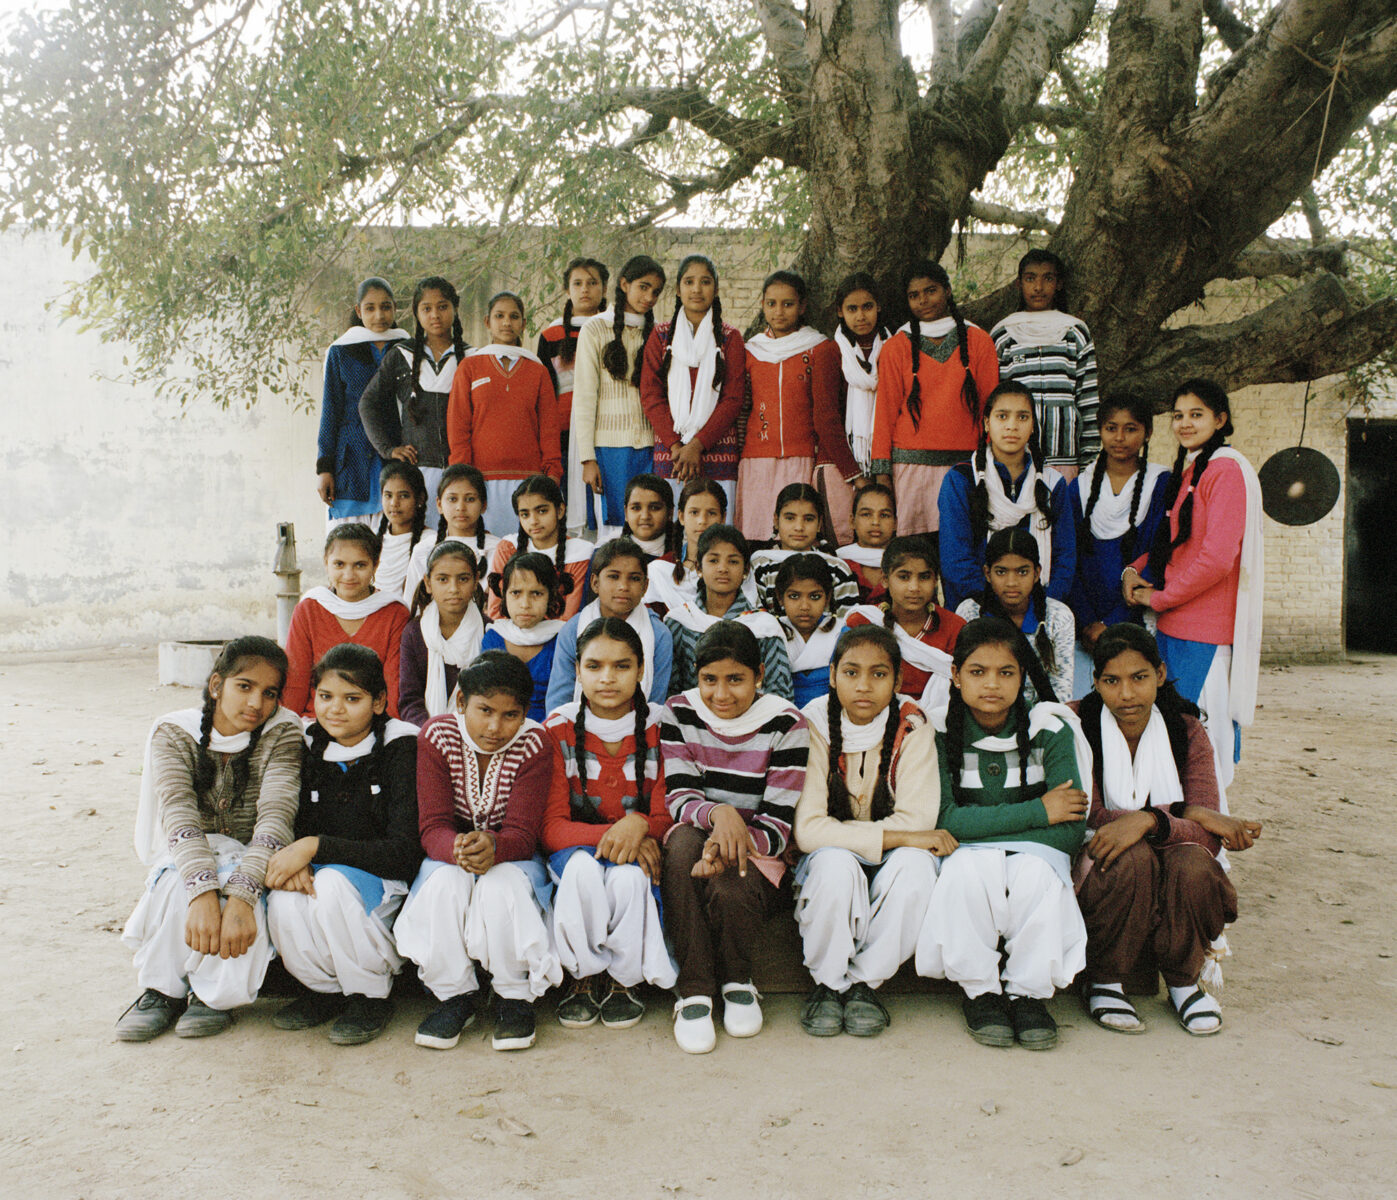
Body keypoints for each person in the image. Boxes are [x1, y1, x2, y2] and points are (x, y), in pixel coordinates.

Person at [1071, 624, 1261, 1036]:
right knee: (1128, 855)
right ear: (1095, 682)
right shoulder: (1077, 723)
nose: (1126, 694)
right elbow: (1089, 817)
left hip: (1168, 853)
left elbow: (1207, 833)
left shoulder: (1186, 729)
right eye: (1111, 681)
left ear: (1159, 674)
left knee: (1194, 862)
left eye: (1139, 678)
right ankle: (1105, 978)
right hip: (1098, 865)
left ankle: (1183, 981)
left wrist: (1148, 820)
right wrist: (1182, 813)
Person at [915, 617, 1091, 1050]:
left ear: (1023, 677)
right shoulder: (935, 729)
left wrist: (985, 829)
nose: (991, 684)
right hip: (967, 855)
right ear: (955, 676)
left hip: (1035, 853)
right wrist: (1037, 811)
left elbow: (1069, 830)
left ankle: (1029, 993)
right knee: (968, 873)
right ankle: (981, 991)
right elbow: (942, 821)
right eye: (978, 672)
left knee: (1035, 875)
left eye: (1006, 672)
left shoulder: (1049, 727)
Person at [116, 637, 301, 1041]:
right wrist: (201, 892)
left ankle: (214, 997)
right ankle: (162, 991)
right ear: (217, 684)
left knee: (242, 892)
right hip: (189, 850)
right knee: (175, 887)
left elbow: (276, 816)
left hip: (258, 852)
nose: (256, 703)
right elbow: (178, 815)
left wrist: (241, 898)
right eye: (245, 686)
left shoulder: (283, 732)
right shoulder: (173, 732)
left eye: (269, 693)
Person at [395, 652, 562, 1052]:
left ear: (524, 713)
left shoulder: (536, 742)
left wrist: (495, 847)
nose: (494, 726)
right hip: (448, 851)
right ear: (460, 703)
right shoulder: (436, 736)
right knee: (444, 886)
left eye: (510, 714)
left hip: (515, 856)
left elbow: (524, 833)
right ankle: (455, 995)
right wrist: (456, 849)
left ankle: (513, 994)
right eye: (484, 710)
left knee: (501, 885)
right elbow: (432, 825)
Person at [794, 626, 954, 1037]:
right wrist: (902, 837)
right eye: (851, 673)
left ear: (898, 680)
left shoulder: (913, 726)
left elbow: (919, 821)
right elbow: (809, 832)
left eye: (879, 674)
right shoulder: (810, 723)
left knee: (918, 869)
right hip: (826, 858)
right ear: (831, 675)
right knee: (835, 866)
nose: (864, 686)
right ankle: (828, 985)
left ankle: (864, 984)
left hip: (885, 857)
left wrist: (906, 839)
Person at [660, 621, 809, 1053]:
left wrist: (730, 846)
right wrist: (720, 814)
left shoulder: (785, 722)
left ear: (760, 675)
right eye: (710, 680)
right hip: (698, 832)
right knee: (682, 847)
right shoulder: (680, 712)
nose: (721, 695)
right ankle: (694, 989)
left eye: (736, 680)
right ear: (696, 676)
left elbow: (780, 824)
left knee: (731, 882)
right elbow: (681, 795)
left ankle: (737, 979)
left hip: (759, 851)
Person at [265, 645, 422, 1045]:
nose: (336, 709)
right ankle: (323, 989)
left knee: (332, 884)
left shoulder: (401, 747)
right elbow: (291, 818)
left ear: (380, 701)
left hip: (385, 887)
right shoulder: (306, 743)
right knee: (285, 895)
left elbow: (403, 853)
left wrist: (316, 848)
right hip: (324, 871)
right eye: (325, 696)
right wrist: (299, 856)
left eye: (353, 699)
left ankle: (370, 993)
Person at [1123, 379, 1263, 789]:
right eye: (1178, 415)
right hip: (1172, 627)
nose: (1185, 424)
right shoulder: (1192, 471)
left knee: (1204, 749)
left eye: (1196, 415)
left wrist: (1163, 597)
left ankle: (1212, 848)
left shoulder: (1226, 471)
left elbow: (1217, 558)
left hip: (1203, 634)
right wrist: (1132, 570)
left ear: (1220, 420)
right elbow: (1177, 545)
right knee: (1175, 741)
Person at [543, 618, 676, 1029]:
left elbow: (667, 813)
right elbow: (552, 829)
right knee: (584, 869)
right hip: (574, 854)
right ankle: (582, 975)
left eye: (622, 666)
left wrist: (642, 826)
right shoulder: (558, 727)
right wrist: (628, 830)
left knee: (629, 880)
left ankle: (623, 978)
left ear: (641, 671)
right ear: (577, 670)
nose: (607, 679)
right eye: (594, 666)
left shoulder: (662, 726)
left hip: (635, 858)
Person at [871, 262, 998, 536]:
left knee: (964, 545)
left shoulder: (979, 341)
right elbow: (884, 413)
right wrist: (882, 473)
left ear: (948, 291)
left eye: (931, 291)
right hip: (910, 468)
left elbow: (991, 410)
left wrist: (991, 463)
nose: (923, 300)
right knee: (916, 551)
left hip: (966, 466)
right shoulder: (896, 346)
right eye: (914, 295)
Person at [938, 380, 1076, 612]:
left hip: (1039, 609)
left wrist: (1038, 607)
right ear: (986, 423)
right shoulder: (961, 480)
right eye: (1002, 416)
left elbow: (1065, 558)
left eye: (1022, 417)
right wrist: (999, 609)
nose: (1012, 426)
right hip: (977, 608)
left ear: (1033, 425)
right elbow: (956, 561)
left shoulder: (1053, 482)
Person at [1067, 391, 1169, 696]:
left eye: (1131, 428)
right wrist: (1089, 623)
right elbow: (1069, 561)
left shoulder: (1160, 483)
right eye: (1111, 428)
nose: (1120, 437)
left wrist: (1114, 625)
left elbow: (1159, 555)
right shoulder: (1079, 487)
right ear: (1099, 431)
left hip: (1136, 619)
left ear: (1148, 432)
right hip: (1086, 628)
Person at [735, 270, 845, 540]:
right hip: (756, 459)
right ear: (762, 305)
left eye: (788, 304)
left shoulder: (818, 348)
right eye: (771, 303)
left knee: (798, 533)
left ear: (802, 306)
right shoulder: (750, 351)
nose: (779, 312)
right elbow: (741, 407)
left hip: (802, 456)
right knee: (756, 533)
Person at [447, 291, 561, 534]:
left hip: (529, 481)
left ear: (524, 324)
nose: (507, 322)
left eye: (514, 316)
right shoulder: (470, 366)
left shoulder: (537, 370)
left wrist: (551, 474)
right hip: (482, 480)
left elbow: (549, 428)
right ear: (487, 322)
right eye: (499, 316)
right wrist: (463, 477)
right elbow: (458, 425)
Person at [640, 254, 746, 510]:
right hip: (672, 455)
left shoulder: (730, 338)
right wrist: (678, 446)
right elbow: (650, 395)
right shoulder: (661, 335)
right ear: (678, 290)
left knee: (716, 533)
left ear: (716, 289)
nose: (697, 289)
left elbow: (733, 399)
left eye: (705, 282)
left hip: (717, 452)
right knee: (674, 530)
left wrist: (697, 446)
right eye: (689, 282)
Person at [572, 255, 667, 531]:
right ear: (624, 284)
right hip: (609, 449)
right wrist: (588, 458)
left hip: (653, 447)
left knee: (651, 526)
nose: (649, 297)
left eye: (656, 292)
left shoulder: (660, 333)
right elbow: (585, 398)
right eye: (643, 287)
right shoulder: (595, 328)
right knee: (615, 528)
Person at [990, 249, 1099, 480]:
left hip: (1065, 461)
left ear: (1059, 284)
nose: (1038, 287)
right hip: (1014, 460)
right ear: (1019, 284)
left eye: (1047, 278)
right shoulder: (1004, 334)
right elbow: (992, 402)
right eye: (1030, 279)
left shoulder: (1075, 332)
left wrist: (1090, 461)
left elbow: (1088, 400)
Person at [358, 275, 468, 505]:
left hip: (462, 472)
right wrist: (388, 450)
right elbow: (367, 403)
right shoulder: (401, 355)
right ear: (416, 313)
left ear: (455, 308)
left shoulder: (472, 357)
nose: (435, 315)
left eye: (442, 307)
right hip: (416, 474)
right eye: (426, 308)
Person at [282, 524, 410, 719]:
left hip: (373, 725)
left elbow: (394, 685)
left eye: (360, 565)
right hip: (316, 722)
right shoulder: (309, 609)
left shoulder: (394, 613)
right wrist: (288, 728)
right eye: (339, 564)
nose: (349, 575)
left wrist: (386, 735)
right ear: (326, 563)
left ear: (375, 565)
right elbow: (295, 680)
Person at [316, 277, 410, 528]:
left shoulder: (406, 348)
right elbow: (330, 412)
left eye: (386, 306)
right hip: (351, 460)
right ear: (358, 311)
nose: (379, 315)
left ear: (395, 308)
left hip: (393, 457)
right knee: (350, 543)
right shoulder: (341, 351)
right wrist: (324, 468)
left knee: (392, 537)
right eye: (370, 308)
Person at [664, 525, 793, 702]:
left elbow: (780, 695)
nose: (723, 568)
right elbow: (671, 691)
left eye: (733, 561)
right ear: (699, 568)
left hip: (755, 723)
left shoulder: (764, 626)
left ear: (746, 570)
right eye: (714, 560)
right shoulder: (680, 621)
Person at [546, 539, 674, 713]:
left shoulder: (659, 634)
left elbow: (656, 702)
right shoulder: (573, 629)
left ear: (645, 586)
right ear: (595, 583)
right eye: (613, 576)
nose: (623, 586)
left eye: (634, 579)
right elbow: (559, 699)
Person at [956, 528, 1073, 705]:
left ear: (1036, 573)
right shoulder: (970, 612)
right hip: (983, 711)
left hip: (1040, 718)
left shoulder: (1058, 616)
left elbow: (1061, 691)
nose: (1011, 582)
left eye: (1022, 572)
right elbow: (963, 681)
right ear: (987, 573)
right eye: (1001, 572)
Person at [844, 535, 964, 707]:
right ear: (885, 579)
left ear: (935, 580)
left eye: (924, 577)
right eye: (904, 577)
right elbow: (849, 683)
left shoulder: (955, 627)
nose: (914, 587)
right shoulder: (862, 622)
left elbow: (963, 688)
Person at [539, 257, 609, 521]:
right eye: (577, 283)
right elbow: (546, 394)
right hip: (565, 436)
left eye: (592, 283)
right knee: (570, 512)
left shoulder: (612, 328)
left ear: (604, 288)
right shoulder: (551, 336)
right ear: (567, 290)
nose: (585, 290)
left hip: (607, 431)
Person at [822, 272, 889, 544]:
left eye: (867, 307)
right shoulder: (830, 352)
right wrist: (856, 476)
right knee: (842, 543)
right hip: (839, 465)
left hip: (885, 467)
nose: (861, 316)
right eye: (852, 309)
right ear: (840, 312)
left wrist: (882, 471)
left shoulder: (895, 348)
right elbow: (825, 418)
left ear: (879, 307)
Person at [398, 540, 486, 728]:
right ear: (428, 583)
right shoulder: (415, 633)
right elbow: (410, 700)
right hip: (424, 733)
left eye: (463, 579)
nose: (453, 588)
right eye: (443, 579)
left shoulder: (489, 632)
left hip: (478, 732)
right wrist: (432, 733)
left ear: (476, 580)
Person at [485, 475, 592, 621]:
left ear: (560, 510)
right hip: (509, 636)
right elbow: (496, 612)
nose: (533, 521)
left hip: (557, 638)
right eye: (525, 514)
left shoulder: (579, 553)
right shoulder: (508, 548)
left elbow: (568, 617)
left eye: (542, 511)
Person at [749, 482, 860, 618]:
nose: (799, 527)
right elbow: (754, 619)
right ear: (776, 521)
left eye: (808, 519)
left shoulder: (837, 569)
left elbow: (847, 623)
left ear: (819, 524)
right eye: (790, 518)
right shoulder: (759, 566)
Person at [481, 552, 567, 723]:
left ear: (551, 596)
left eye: (536, 593)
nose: (525, 604)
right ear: (504, 595)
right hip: (498, 729)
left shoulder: (561, 640)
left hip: (550, 729)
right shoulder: (494, 637)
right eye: (516, 593)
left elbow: (563, 701)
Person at [402, 463, 500, 603]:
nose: (461, 507)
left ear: (483, 505)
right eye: (452, 499)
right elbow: (413, 606)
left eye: (470, 499)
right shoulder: (423, 550)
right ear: (439, 505)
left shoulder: (497, 549)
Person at [644, 477, 739, 614]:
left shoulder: (734, 567)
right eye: (694, 512)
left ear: (723, 518)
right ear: (681, 517)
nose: (702, 521)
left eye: (711, 513)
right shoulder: (659, 570)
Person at [775, 554, 843, 708]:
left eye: (814, 596)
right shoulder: (771, 634)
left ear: (827, 597)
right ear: (780, 597)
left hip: (832, 717)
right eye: (794, 596)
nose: (804, 606)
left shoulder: (842, 634)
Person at [372, 461, 429, 599]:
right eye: (388, 495)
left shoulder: (430, 541)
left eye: (403, 496)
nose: (394, 503)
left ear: (420, 499)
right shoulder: (371, 538)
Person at [837, 481, 897, 605]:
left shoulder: (906, 562)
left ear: (895, 523)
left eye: (884, 515)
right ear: (852, 521)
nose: (875, 522)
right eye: (866, 514)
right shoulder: (838, 563)